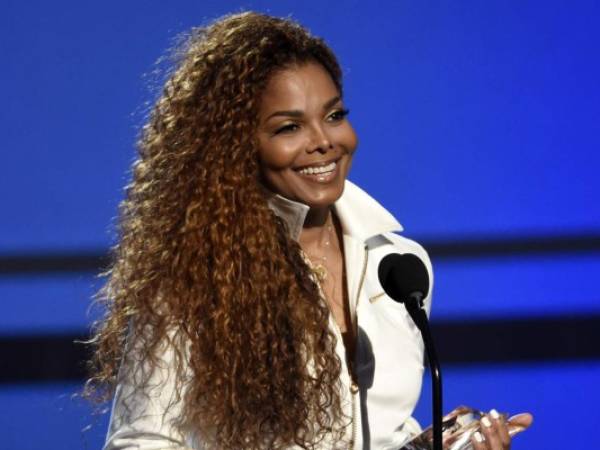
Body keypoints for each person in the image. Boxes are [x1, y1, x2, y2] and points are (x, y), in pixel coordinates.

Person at [86, 12, 531, 450]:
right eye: (289, 127)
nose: (324, 141)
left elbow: (384, 430)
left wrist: (428, 446)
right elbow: (139, 442)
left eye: (334, 115)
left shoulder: (398, 264)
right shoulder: (190, 280)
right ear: (234, 146)